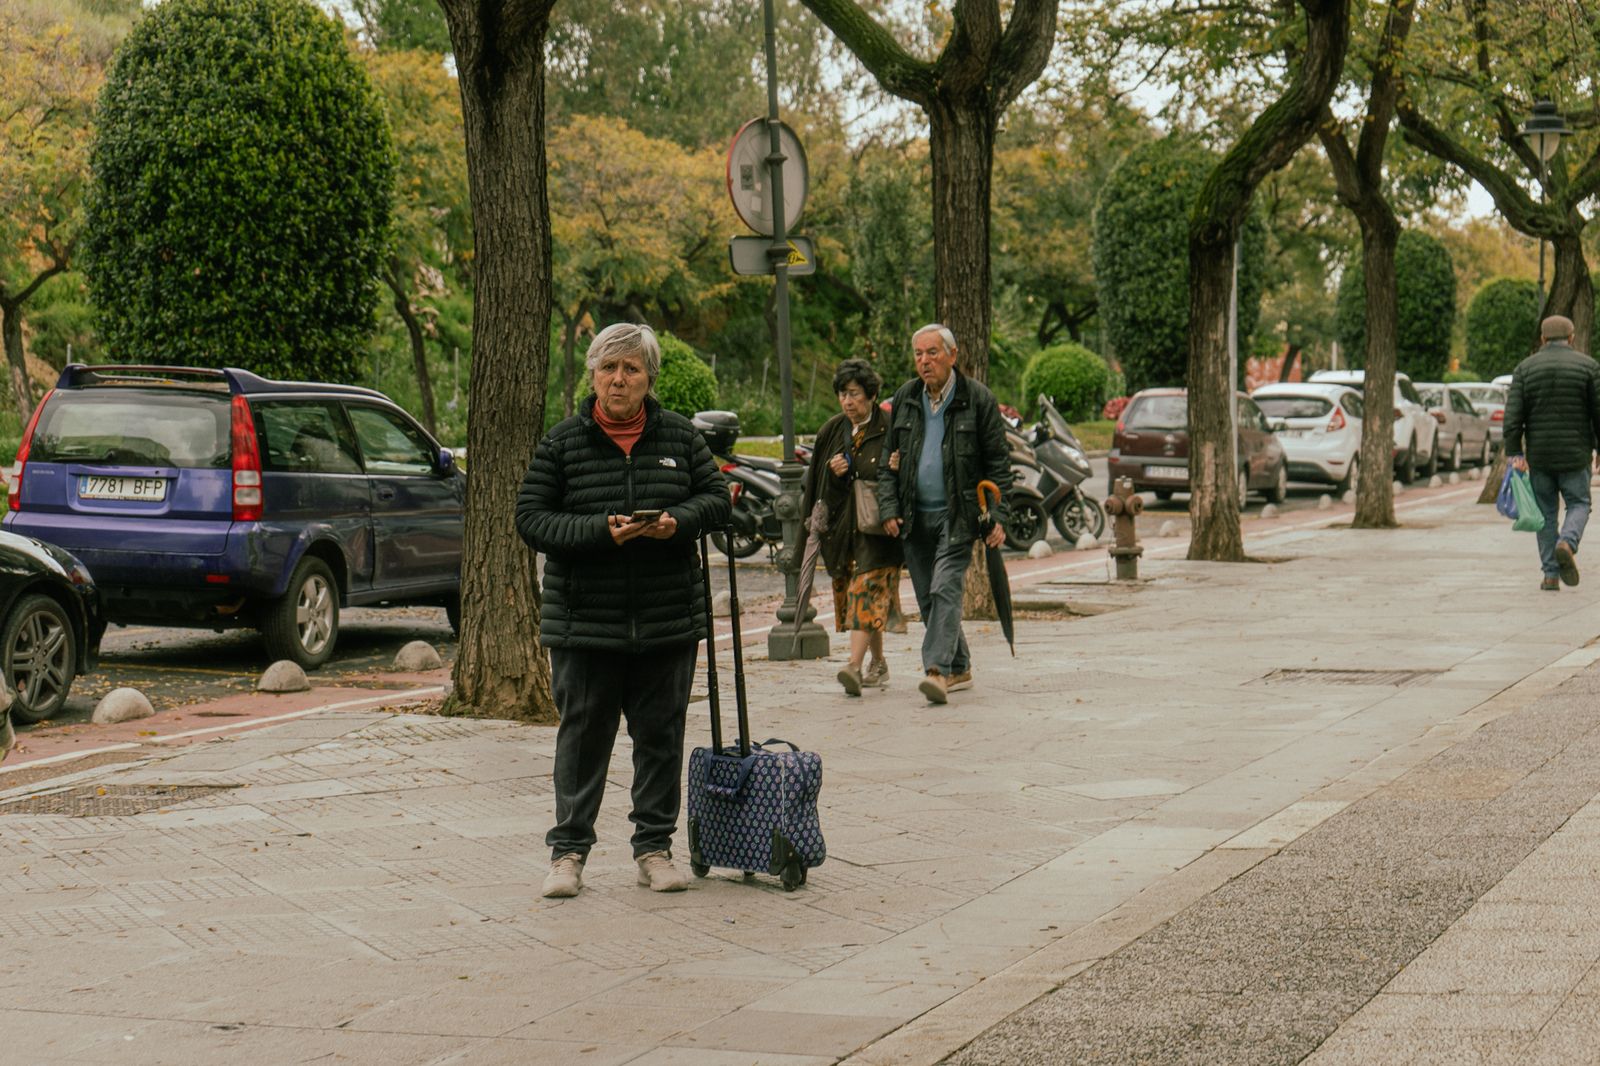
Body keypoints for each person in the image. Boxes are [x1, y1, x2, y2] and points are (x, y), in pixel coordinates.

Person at [516, 322, 729, 898]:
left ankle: (654, 849)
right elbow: (531, 519)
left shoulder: (681, 438)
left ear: (648, 378)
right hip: (585, 623)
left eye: (631, 368)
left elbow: (714, 501)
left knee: (660, 737)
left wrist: (673, 523)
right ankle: (567, 855)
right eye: (609, 367)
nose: (618, 379)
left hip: (666, 620)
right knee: (582, 740)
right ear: (593, 374)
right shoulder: (562, 443)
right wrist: (599, 531)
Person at [877, 324, 1012, 705]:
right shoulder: (904, 398)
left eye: (932, 352)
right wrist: (889, 508)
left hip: (959, 515)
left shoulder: (978, 399)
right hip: (913, 516)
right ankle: (962, 666)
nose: (924, 361)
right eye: (919, 354)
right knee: (927, 599)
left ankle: (937, 671)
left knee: (945, 587)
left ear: (953, 355)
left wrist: (998, 516)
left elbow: (999, 465)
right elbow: (888, 465)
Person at [800, 359, 902, 696]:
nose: (848, 402)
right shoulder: (832, 430)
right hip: (844, 532)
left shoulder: (891, 428)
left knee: (865, 593)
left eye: (855, 394)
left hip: (880, 532)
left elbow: (903, 476)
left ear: (871, 395)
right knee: (861, 601)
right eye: (843, 394)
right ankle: (879, 662)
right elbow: (816, 486)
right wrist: (834, 473)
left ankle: (854, 667)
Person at [1502, 314, 1600, 591]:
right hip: (1576, 453)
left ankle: (1550, 575)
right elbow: (1598, 412)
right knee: (1579, 504)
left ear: (1543, 339)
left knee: (1545, 513)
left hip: (1540, 456)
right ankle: (1567, 542)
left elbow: (1513, 418)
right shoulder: (1588, 367)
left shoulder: (1525, 369)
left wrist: (1514, 453)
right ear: (1572, 338)